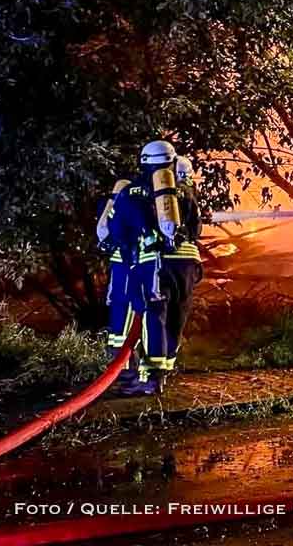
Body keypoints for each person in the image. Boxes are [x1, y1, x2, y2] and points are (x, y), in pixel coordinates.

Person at [105, 140, 185, 396]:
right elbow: (176, 230)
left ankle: (131, 374)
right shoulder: (170, 192)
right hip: (154, 264)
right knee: (154, 315)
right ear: (170, 163)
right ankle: (151, 377)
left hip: (130, 264)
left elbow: (113, 229)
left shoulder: (128, 191)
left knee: (129, 316)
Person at [160, 155, 203, 374]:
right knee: (178, 314)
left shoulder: (158, 194)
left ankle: (153, 367)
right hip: (185, 262)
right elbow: (196, 231)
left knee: (157, 314)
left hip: (159, 262)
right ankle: (167, 364)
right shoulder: (188, 194)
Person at [95, 179, 136, 386]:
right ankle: (125, 369)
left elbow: (103, 236)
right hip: (129, 268)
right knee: (128, 317)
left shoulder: (109, 208)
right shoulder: (128, 207)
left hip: (119, 270)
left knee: (119, 319)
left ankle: (120, 367)